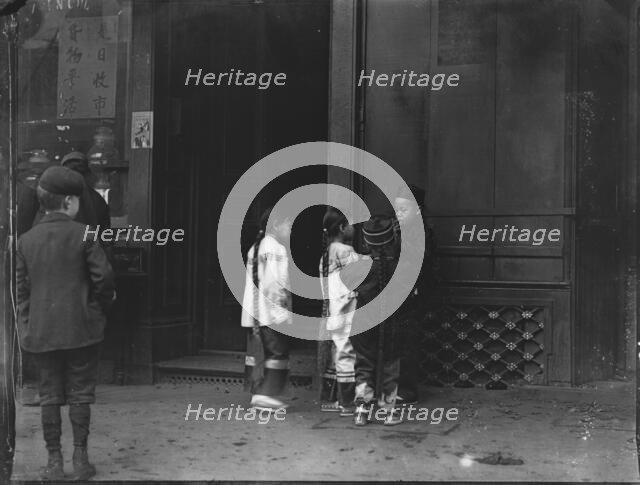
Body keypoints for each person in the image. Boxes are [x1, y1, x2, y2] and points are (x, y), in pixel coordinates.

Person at [16, 166, 115, 480]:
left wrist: (28, 324)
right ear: (71, 202)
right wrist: (96, 311)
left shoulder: (26, 240)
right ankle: (81, 459)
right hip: (81, 330)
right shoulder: (85, 234)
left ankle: (53, 462)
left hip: (41, 332)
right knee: (80, 394)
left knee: (49, 395)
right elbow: (104, 280)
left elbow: (21, 290)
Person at [342, 215, 405, 426]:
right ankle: (389, 412)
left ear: (367, 242)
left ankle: (361, 410)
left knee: (363, 363)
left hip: (363, 323)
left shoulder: (359, 267)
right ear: (391, 240)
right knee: (390, 364)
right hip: (393, 324)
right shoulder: (401, 268)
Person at [241, 206, 293, 410]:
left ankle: (258, 392)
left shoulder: (255, 248)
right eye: (288, 223)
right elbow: (275, 283)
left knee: (259, 351)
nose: (290, 228)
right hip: (269, 313)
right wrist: (282, 311)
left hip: (254, 313)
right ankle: (267, 394)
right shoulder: (276, 250)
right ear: (276, 225)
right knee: (276, 352)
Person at [394, 184, 438, 405]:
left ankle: (407, 390)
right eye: (397, 210)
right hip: (399, 292)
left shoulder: (422, 233)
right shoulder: (400, 230)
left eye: (404, 210)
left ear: (418, 209)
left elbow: (423, 266)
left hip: (412, 295)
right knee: (399, 341)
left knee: (408, 342)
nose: (399, 214)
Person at [318, 207, 362, 416]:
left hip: (333, 310)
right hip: (347, 310)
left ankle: (333, 399)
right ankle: (347, 403)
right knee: (347, 354)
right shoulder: (345, 252)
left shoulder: (326, 253)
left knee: (339, 352)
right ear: (343, 227)